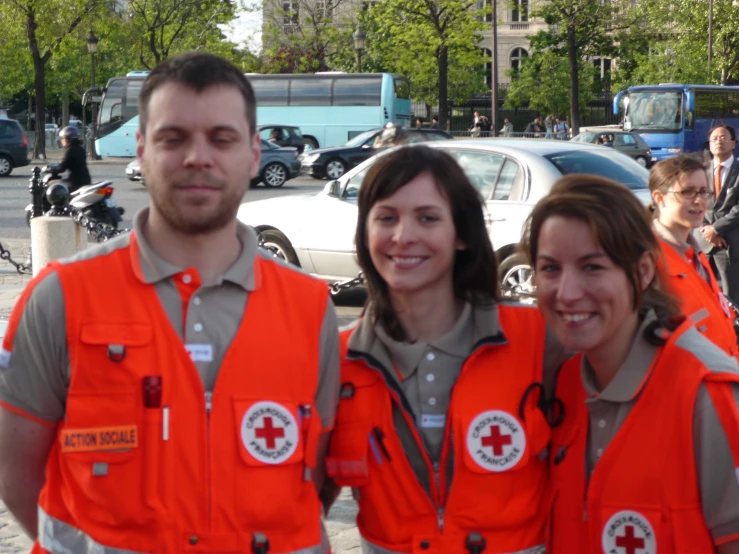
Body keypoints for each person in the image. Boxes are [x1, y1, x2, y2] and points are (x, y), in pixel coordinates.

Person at [0, 51, 340, 553]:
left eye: (221, 139)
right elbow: (15, 467)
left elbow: (318, 477)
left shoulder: (311, 307)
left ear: (253, 153)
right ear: (141, 149)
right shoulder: (61, 297)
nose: (197, 157)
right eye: (173, 138)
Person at [324, 145, 568, 553]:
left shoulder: (540, 341)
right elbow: (300, 504)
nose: (403, 236)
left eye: (428, 218)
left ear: (461, 235)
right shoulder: (340, 360)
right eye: (386, 218)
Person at [524, 174, 739, 553]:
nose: (567, 293)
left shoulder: (707, 396)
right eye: (550, 269)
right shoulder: (563, 386)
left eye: (593, 267)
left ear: (642, 272)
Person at [649, 154, 738, 356]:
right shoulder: (648, 261)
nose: (699, 201)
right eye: (687, 192)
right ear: (659, 198)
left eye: (703, 192)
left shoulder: (693, 252)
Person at [699, 124, 739, 305]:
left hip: (730, 244)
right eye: (714, 138)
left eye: (723, 138)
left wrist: (716, 228)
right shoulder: (700, 171)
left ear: (733, 143)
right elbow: (691, 202)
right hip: (703, 243)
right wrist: (706, 231)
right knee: (702, 296)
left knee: (732, 298)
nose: (718, 142)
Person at [56, 125, 91, 192]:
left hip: (76, 182)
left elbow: (62, 168)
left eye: (63, 138)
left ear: (68, 139)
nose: (61, 140)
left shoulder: (70, 150)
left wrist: (52, 170)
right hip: (86, 179)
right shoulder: (81, 148)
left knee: (57, 187)